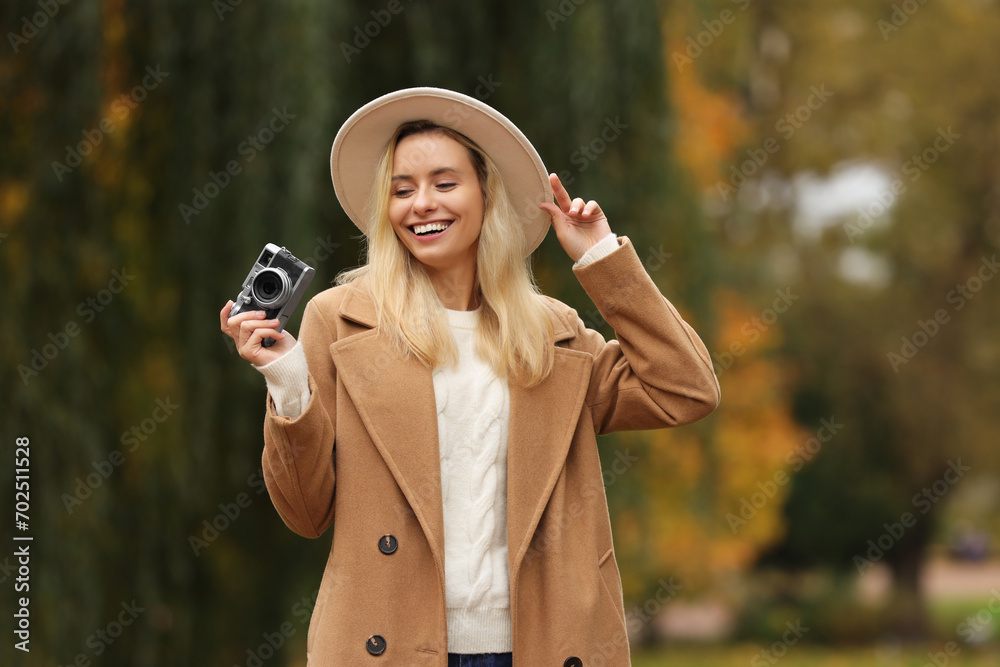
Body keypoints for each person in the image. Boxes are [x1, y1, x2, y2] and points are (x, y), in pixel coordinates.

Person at [220, 87, 720, 666]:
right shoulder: (340, 320)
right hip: (386, 646)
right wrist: (285, 379)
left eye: (445, 183)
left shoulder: (551, 334)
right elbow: (306, 513)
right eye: (401, 190)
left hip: (545, 646)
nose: (421, 204)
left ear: (487, 195)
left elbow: (686, 389)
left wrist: (602, 259)